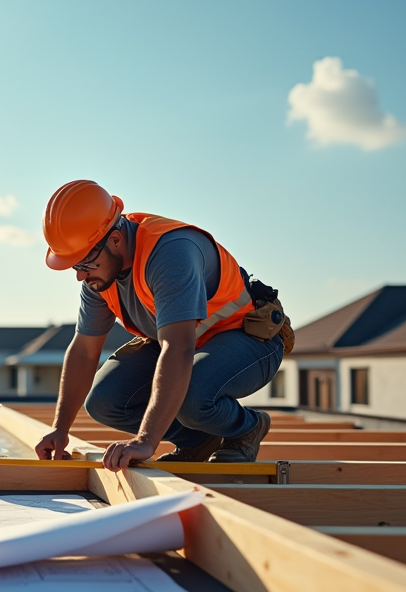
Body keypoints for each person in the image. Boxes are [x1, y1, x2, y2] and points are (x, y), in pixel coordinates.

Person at [33, 180, 291, 471]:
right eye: (74, 266)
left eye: (85, 264)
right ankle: (199, 440)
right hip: (188, 346)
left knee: (192, 397)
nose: (80, 276)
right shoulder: (99, 273)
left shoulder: (170, 253)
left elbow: (178, 348)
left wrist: (146, 440)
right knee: (105, 401)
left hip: (248, 339)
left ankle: (246, 427)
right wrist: (60, 429)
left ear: (115, 239)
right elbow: (83, 351)